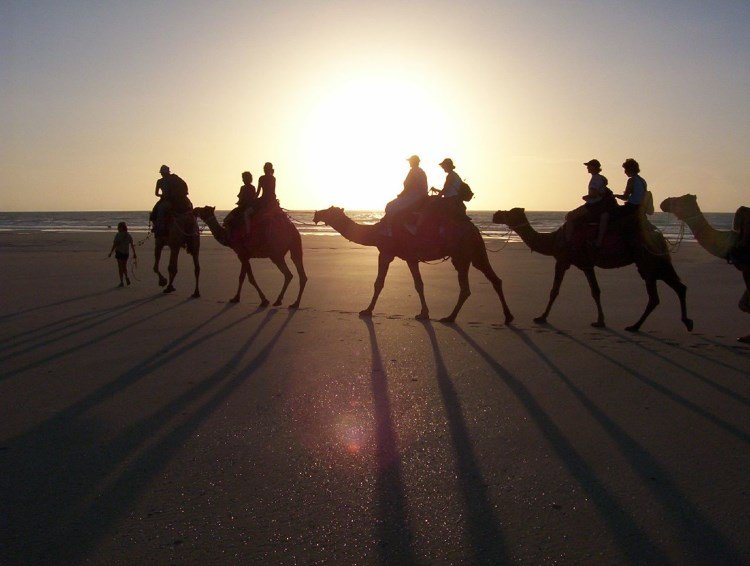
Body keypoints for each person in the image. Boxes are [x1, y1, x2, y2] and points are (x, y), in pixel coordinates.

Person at [565, 159, 616, 247]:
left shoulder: (595, 179)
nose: (587, 168)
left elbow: (594, 194)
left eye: (589, 166)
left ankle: (568, 242)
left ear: (593, 167)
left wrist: (586, 197)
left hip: (593, 206)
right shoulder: (601, 178)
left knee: (569, 216)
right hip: (598, 205)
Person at [384, 155, 428, 226]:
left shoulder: (413, 171)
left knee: (390, 206)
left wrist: (401, 194)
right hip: (419, 195)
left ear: (413, 162)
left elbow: (408, 186)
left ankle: (389, 227)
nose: (409, 163)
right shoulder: (421, 171)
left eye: (410, 161)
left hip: (414, 196)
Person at [150, 165, 191, 235]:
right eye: (162, 173)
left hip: (174, 199)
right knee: (156, 210)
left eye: (163, 173)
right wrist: (163, 196)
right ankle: (158, 227)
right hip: (169, 200)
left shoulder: (173, 179)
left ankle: (159, 227)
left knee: (159, 209)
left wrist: (164, 195)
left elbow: (156, 194)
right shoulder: (162, 181)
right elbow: (156, 193)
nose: (162, 174)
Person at [108, 221, 136, 287]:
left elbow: (114, 245)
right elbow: (132, 245)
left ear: (122, 228)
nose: (118, 228)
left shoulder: (118, 235)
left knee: (120, 268)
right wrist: (134, 253)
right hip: (126, 253)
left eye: (119, 227)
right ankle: (126, 277)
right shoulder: (128, 235)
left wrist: (111, 252)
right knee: (124, 266)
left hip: (119, 252)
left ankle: (121, 282)